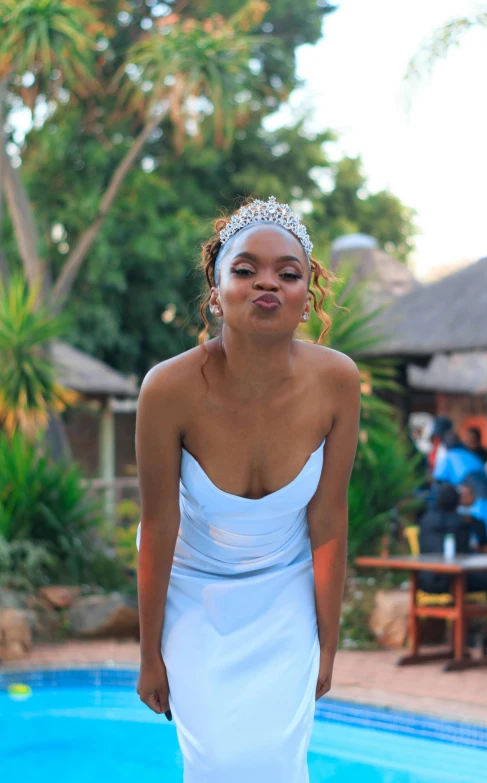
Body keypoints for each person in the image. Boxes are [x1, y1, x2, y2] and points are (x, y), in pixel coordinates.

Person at [134, 196, 361, 782]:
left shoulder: (337, 381)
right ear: (216, 290)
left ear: (305, 297)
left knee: (276, 763)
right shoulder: (168, 388)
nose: (268, 282)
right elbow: (158, 524)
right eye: (245, 269)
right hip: (194, 593)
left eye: (288, 274)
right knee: (218, 762)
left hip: (285, 594)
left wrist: (327, 644)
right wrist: (148, 651)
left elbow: (329, 520)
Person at [418, 483, 487, 605]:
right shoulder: (459, 523)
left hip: (425, 581)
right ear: (457, 501)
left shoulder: (425, 520)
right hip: (451, 582)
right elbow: (466, 555)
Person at [433, 431, 487, 549]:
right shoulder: (471, 455)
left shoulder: (448, 456)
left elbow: (439, 479)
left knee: (475, 537)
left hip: (475, 500)